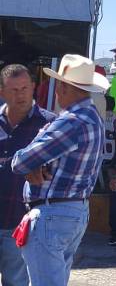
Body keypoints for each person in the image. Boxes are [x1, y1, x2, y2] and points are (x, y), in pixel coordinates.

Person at [11, 54, 109, 286]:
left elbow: (21, 162)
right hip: (72, 210)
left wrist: (32, 165)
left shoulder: (72, 121)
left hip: (52, 212)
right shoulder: (92, 116)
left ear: (64, 87)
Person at [0, 65, 56, 286]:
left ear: (33, 87)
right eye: (14, 90)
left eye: (24, 88)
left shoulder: (49, 124)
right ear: (2, 91)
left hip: (21, 221)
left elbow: (58, 170)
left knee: (16, 281)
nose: (20, 94)